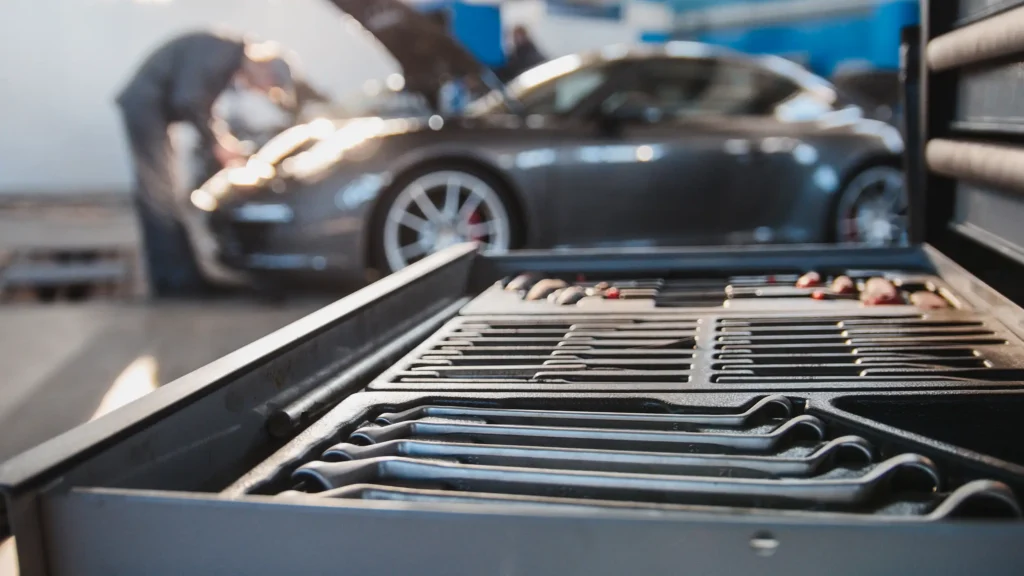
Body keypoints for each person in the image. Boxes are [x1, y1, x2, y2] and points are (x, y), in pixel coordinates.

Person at [117, 32, 294, 297]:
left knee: (166, 196)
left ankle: (182, 277)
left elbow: (200, 103)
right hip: (146, 105)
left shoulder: (226, 57)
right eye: (268, 86)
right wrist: (216, 143)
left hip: (154, 108)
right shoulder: (221, 53)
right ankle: (173, 283)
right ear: (266, 68)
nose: (260, 91)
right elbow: (188, 98)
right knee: (158, 198)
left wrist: (220, 140)